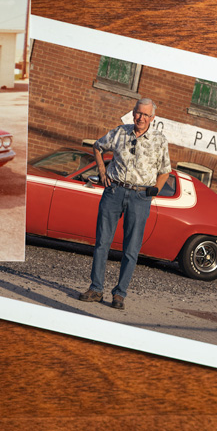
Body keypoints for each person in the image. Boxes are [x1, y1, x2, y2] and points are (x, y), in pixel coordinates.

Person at [79, 98, 171, 310]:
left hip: (140, 196)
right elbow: (97, 146)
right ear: (133, 112)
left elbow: (165, 171)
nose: (141, 118)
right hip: (114, 191)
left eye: (146, 115)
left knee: (131, 249)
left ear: (152, 118)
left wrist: (153, 192)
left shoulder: (159, 140)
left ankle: (120, 293)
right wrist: (102, 170)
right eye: (138, 113)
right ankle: (96, 289)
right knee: (102, 242)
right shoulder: (120, 132)